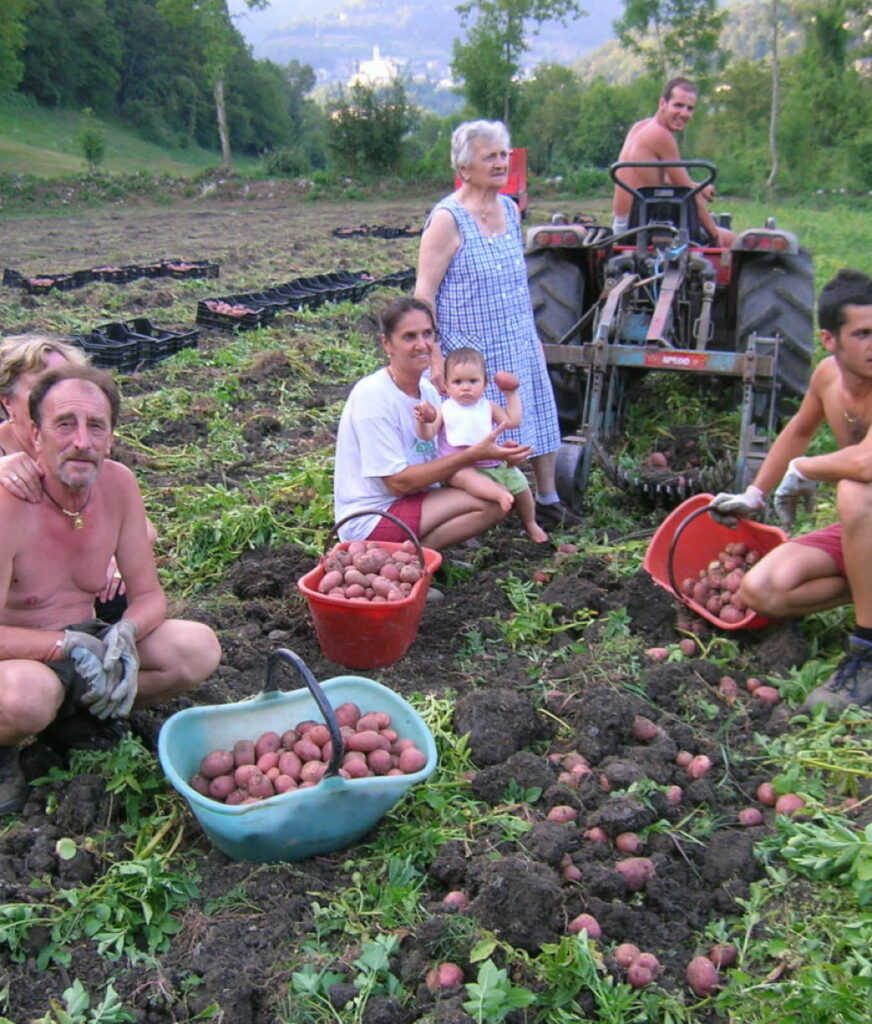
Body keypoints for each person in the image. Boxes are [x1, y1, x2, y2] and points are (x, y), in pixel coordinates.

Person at [0, 363, 222, 814]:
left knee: (195, 648)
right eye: (65, 424)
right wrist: (64, 645)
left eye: (95, 426)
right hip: (17, 658)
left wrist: (125, 632)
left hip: (88, 639)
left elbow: (148, 596)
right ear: (36, 436)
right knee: (26, 696)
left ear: (110, 436)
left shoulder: (118, 484)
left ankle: (81, 722)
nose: (82, 441)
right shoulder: (9, 503)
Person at [710, 268, 872, 713]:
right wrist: (754, 494)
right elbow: (798, 431)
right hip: (866, 534)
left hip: (866, 512)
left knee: (857, 493)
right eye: (862, 334)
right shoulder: (826, 378)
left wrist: (805, 469)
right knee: (761, 590)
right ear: (829, 339)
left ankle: (866, 652)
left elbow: (865, 463)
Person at [415, 119, 582, 532]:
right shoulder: (447, 219)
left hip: (516, 338)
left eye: (504, 154)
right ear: (465, 167)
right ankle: (471, 509)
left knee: (538, 416)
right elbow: (424, 292)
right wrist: (435, 355)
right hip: (471, 351)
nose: (501, 162)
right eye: (490, 156)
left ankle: (547, 500)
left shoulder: (509, 208)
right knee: (467, 433)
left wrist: (531, 338)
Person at [333, 296, 533, 549]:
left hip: (414, 499)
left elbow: (445, 456)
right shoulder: (373, 397)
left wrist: (496, 456)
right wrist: (472, 456)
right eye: (409, 337)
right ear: (387, 344)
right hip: (373, 517)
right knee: (491, 502)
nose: (422, 344)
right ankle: (408, 561)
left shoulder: (427, 391)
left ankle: (412, 557)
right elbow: (398, 483)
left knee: (495, 491)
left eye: (428, 334)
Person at [0, 333, 153, 620]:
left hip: (75, 588)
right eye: (42, 385)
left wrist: (104, 553)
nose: (56, 393)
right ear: (8, 402)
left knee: (117, 590)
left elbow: (142, 526)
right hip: (20, 609)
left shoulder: (80, 446)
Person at [414, 347, 548, 543]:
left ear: (485, 384)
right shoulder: (444, 409)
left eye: (473, 381)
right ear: (447, 386)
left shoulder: (488, 407)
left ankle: (530, 522)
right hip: (459, 469)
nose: (465, 387)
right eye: (458, 382)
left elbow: (513, 421)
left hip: (493, 464)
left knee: (522, 485)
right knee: (467, 477)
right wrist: (423, 421)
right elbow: (427, 435)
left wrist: (511, 395)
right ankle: (499, 493)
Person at [612, 77, 734, 247]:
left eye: (690, 108)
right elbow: (689, 197)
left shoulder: (640, 127)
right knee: (735, 242)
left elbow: (651, 177)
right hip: (641, 229)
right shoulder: (661, 136)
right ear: (663, 103)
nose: (684, 113)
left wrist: (695, 185)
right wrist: (714, 233)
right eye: (678, 105)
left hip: (623, 225)